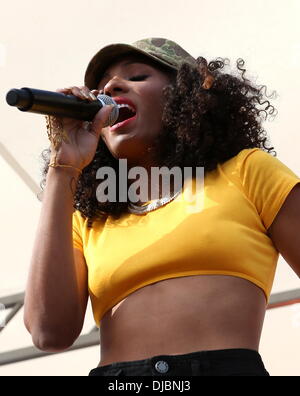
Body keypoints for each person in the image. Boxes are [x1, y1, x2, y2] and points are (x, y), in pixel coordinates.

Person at [24, 38, 300, 376]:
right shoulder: (89, 217)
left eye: (138, 76)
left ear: (188, 96)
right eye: (102, 88)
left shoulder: (247, 170)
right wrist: (62, 165)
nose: (111, 86)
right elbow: (48, 331)